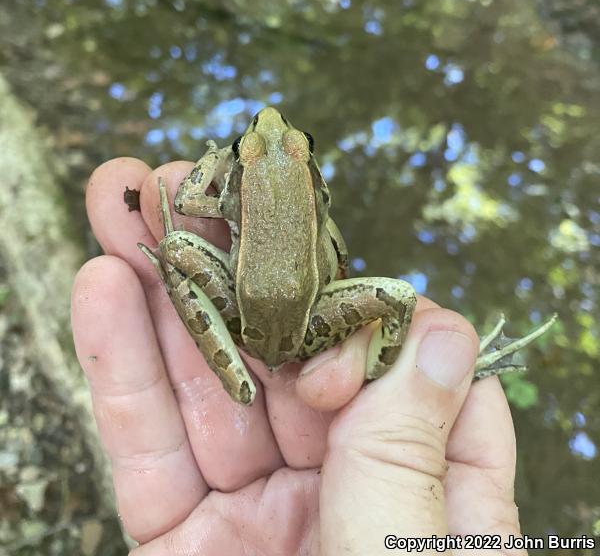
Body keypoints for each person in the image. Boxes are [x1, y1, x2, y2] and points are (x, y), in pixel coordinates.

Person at [72, 158, 526, 555]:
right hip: (308, 334)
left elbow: (189, 197)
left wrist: (212, 162)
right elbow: (340, 256)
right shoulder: (320, 207)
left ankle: (375, 383)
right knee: (400, 299)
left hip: (243, 324)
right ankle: (383, 372)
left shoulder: (234, 197)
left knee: (174, 246)